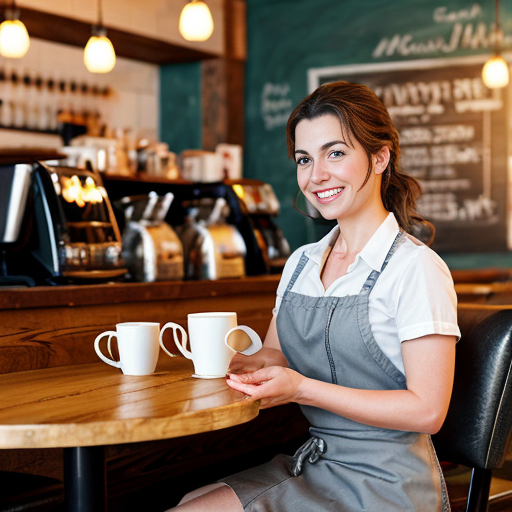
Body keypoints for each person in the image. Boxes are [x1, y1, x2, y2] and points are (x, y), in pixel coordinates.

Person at [169, 81, 460, 512]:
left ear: (380, 158)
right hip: (316, 462)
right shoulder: (302, 262)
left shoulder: (416, 268)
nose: (316, 174)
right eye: (304, 159)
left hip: (389, 485)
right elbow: (275, 355)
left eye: (335, 153)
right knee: (189, 501)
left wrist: (302, 389)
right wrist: (233, 365)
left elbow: (427, 411)